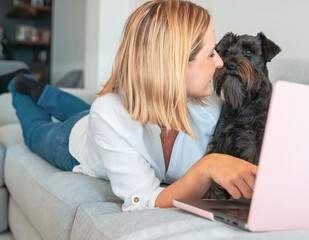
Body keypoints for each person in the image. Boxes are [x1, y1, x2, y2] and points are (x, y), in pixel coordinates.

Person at [8, 0, 258, 212]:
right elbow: (144, 200)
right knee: (36, 130)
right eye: (211, 53)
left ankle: (44, 91)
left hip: (107, 119)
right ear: (173, 64)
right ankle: (18, 83)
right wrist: (207, 167)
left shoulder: (211, 109)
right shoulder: (108, 115)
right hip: (73, 140)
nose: (220, 64)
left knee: (85, 109)